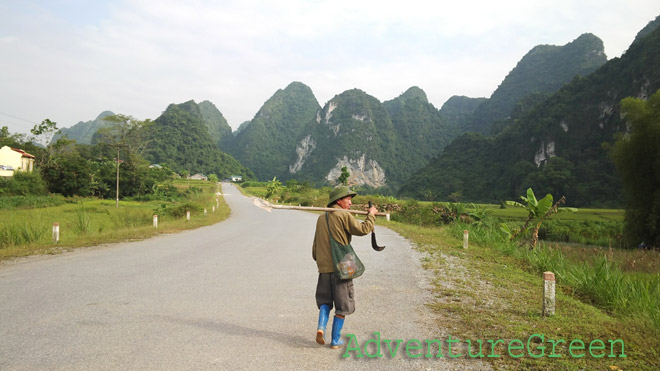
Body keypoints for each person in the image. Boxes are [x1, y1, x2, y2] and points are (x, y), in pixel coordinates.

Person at [312, 186, 378, 348]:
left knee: (325, 301)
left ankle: (321, 328)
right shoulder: (343, 214)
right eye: (347, 199)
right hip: (343, 266)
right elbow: (363, 230)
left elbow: (315, 248)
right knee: (343, 305)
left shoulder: (321, 217)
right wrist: (371, 216)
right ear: (338, 201)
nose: (350, 202)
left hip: (324, 268)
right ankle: (335, 340)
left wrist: (321, 262)